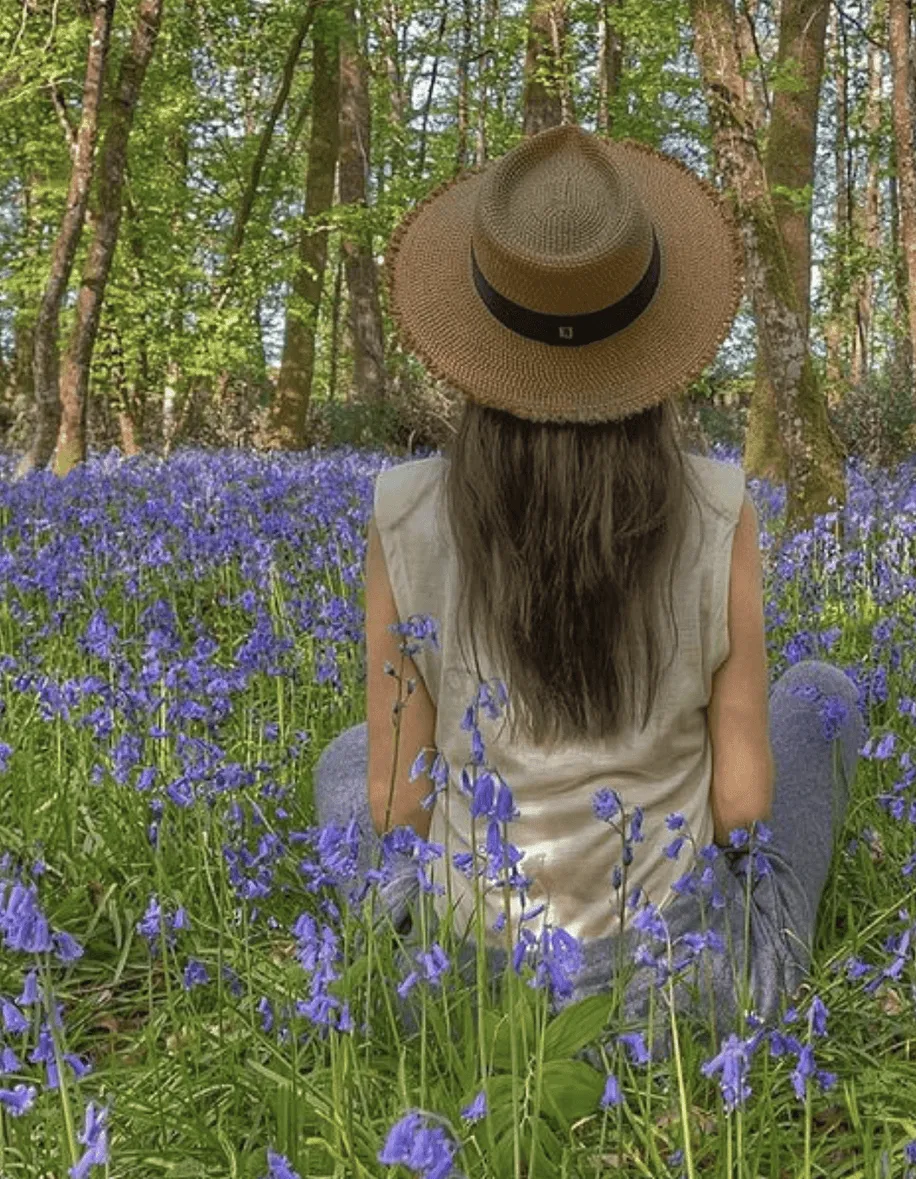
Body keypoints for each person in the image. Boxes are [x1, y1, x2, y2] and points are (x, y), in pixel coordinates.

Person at [312, 123, 865, 1057]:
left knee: (348, 755)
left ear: (480, 342)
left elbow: (396, 808)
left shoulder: (401, 511)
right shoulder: (716, 508)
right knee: (824, 695)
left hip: (454, 989)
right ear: (650, 341)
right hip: (685, 990)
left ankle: (414, 968)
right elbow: (741, 807)